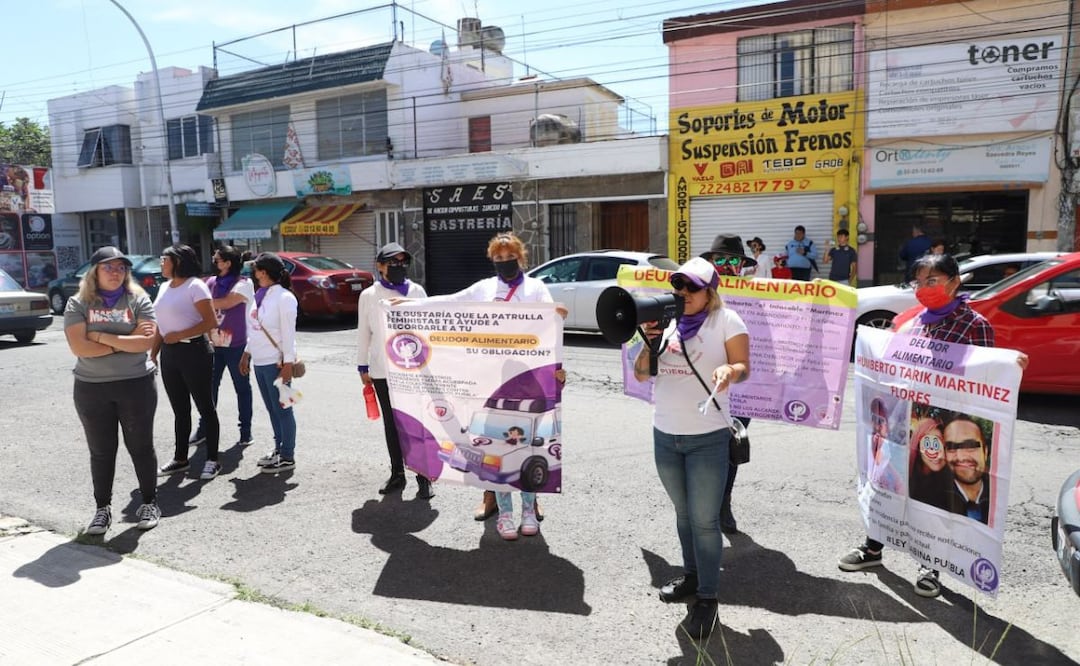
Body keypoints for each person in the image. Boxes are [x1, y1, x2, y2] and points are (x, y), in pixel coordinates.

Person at [839, 253, 1026, 598]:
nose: (924, 289)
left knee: (933, 495)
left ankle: (931, 564)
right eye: (918, 282)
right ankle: (873, 549)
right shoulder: (909, 319)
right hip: (899, 421)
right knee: (887, 485)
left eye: (932, 281)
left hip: (939, 426)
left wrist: (1008, 367)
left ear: (955, 282)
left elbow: (981, 378)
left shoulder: (974, 325)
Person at [636, 256, 750, 640]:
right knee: (684, 514)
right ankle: (692, 577)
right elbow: (641, 372)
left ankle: (707, 598)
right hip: (665, 434)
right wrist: (649, 343)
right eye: (678, 286)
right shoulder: (666, 324)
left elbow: (744, 366)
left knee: (704, 521)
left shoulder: (727, 321)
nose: (682, 293)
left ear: (709, 291)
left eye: (691, 287)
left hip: (707, 436)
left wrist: (729, 371)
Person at [425, 232, 564, 537]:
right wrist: (408, 305)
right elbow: (450, 302)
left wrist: (557, 367)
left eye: (509, 257)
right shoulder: (485, 288)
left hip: (529, 377)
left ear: (521, 257)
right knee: (495, 446)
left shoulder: (536, 288)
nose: (504, 263)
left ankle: (530, 508)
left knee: (528, 445)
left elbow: (553, 324)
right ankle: (503, 512)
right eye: (498, 259)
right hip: (490, 378)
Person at [64, 247, 161, 534]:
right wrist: (123, 340)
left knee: (141, 447)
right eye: (109, 267)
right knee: (102, 451)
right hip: (91, 388)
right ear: (95, 272)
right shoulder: (78, 302)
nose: (116, 272)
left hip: (136, 385)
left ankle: (149, 502)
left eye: (121, 267)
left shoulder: (138, 299)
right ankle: (102, 509)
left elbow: (145, 343)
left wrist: (99, 336)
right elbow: (78, 347)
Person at [356, 242, 432, 499]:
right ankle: (397, 473)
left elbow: (427, 328)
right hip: (381, 369)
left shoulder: (417, 291)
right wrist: (362, 365)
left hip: (413, 369)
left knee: (416, 423)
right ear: (379, 266)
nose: (398, 267)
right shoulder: (369, 295)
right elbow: (363, 333)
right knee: (392, 424)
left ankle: (424, 476)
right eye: (392, 262)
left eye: (402, 263)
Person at [699, 233, 757, 534]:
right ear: (710, 263)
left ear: (741, 265)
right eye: (718, 260)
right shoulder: (697, 293)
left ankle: (724, 503)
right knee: (702, 448)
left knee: (732, 448)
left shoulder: (758, 296)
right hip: (702, 385)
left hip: (741, 388)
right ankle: (702, 507)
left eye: (732, 260)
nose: (725, 265)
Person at [153, 244, 222, 481]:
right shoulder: (163, 287)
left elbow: (210, 321)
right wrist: (153, 353)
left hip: (195, 351)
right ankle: (180, 458)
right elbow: (160, 325)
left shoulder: (196, 286)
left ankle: (212, 460)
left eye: (164, 259)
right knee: (180, 410)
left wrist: (180, 335)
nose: (161, 263)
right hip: (169, 354)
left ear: (178, 261)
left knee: (205, 407)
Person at [191, 245, 255, 449]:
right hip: (213, 344)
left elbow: (226, 303)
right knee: (209, 388)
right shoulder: (210, 282)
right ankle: (204, 429)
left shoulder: (243, 283)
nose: (214, 262)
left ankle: (246, 432)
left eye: (217, 259)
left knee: (242, 388)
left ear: (228, 263)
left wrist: (201, 303)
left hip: (237, 345)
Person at [242, 252, 300, 474]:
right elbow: (255, 329)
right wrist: (246, 353)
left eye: (255, 269)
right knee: (272, 409)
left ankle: (288, 456)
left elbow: (289, 334)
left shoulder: (284, 298)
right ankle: (279, 448)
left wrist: (288, 364)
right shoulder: (261, 295)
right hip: (260, 361)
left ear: (263, 272)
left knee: (284, 410)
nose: (253, 273)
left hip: (276, 364)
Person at [942, 413, 991, 525]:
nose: (961, 457)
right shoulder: (932, 495)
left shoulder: (998, 495)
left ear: (985, 451)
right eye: (951, 447)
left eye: (970, 445)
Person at [908, 414, 950, 509]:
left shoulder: (949, 485)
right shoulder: (905, 476)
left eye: (944, 447)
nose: (941, 455)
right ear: (918, 446)